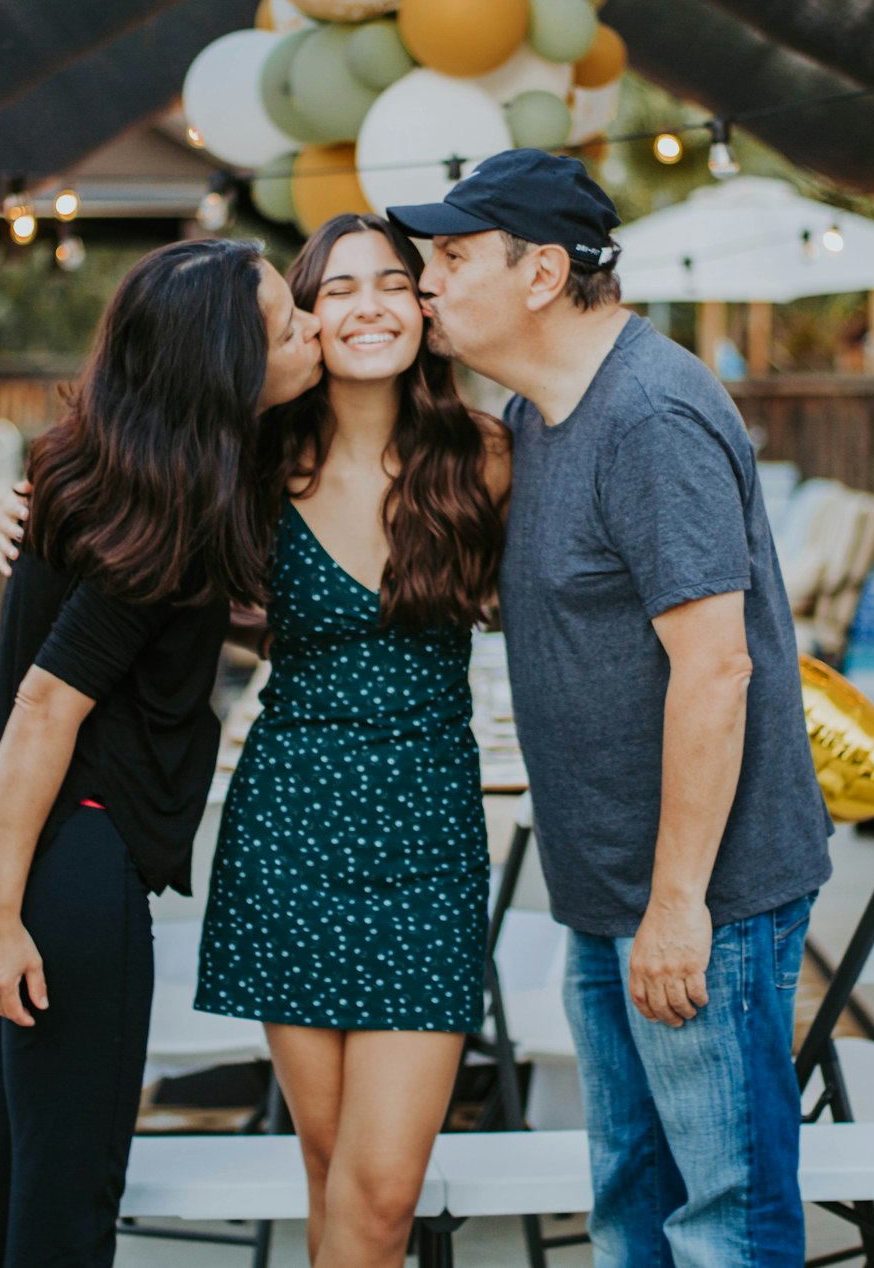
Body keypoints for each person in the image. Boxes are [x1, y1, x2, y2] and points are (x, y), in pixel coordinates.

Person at [388, 150, 833, 1268]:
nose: (423, 281)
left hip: (700, 903)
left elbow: (714, 670)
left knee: (723, 1220)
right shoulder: (540, 415)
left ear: (541, 273)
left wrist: (677, 903)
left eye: (449, 257)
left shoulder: (647, 416)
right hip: (609, 891)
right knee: (633, 1203)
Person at [0, 237, 321, 1268]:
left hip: (28, 844)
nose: (315, 330)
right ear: (228, 369)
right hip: (66, 860)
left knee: (12, 1168)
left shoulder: (114, 463)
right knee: (69, 1195)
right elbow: (47, 707)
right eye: (288, 326)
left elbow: (175, 622)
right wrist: (0, 919)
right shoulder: (164, 512)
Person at [194, 213, 509, 1268]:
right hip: (291, 834)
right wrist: (27, 508)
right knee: (328, 1164)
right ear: (305, 316)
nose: (367, 306)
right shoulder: (249, 461)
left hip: (427, 844)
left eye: (390, 283)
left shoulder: (487, 457)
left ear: (424, 307)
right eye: (336, 289)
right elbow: (118, 489)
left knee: (382, 1192)